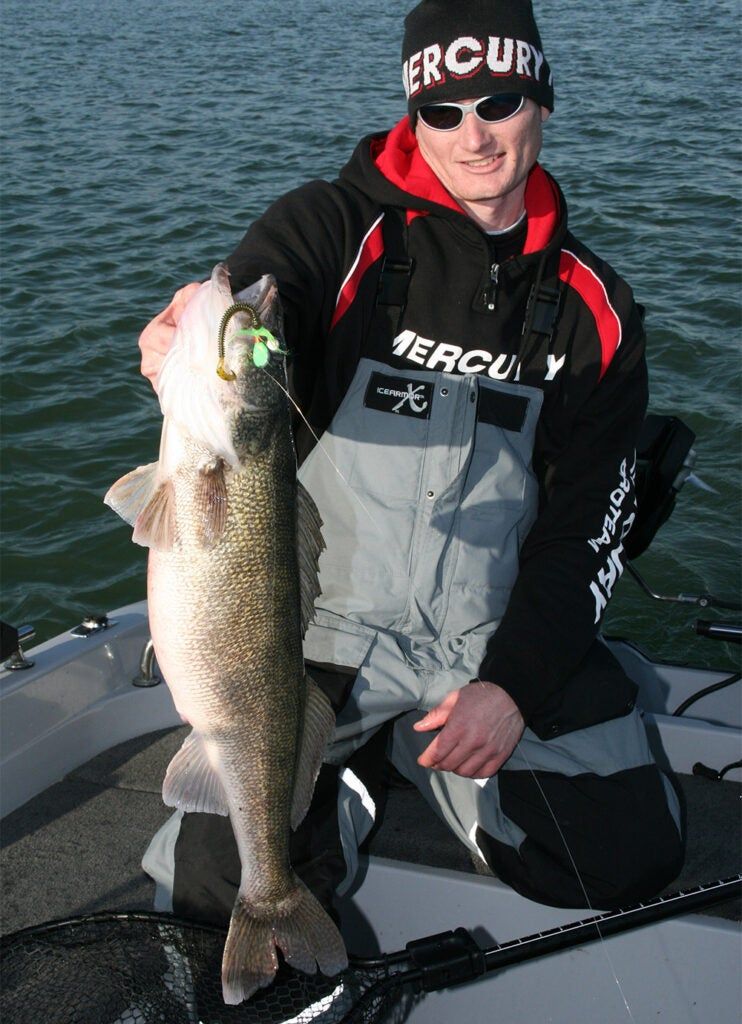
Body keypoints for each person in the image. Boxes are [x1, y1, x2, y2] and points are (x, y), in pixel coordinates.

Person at [141, 0, 683, 928]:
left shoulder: (598, 310)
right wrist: (186, 332)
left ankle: (415, 766)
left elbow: (586, 529)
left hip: (485, 628)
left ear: (541, 102)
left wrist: (511, 685)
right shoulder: (332, 226)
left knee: (624, 860)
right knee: (211, 886)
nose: (474, 136)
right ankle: (343, 766)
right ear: (413, 115)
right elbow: (271, 295)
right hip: (319, 630)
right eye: (444, 111)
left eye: (499, 101)